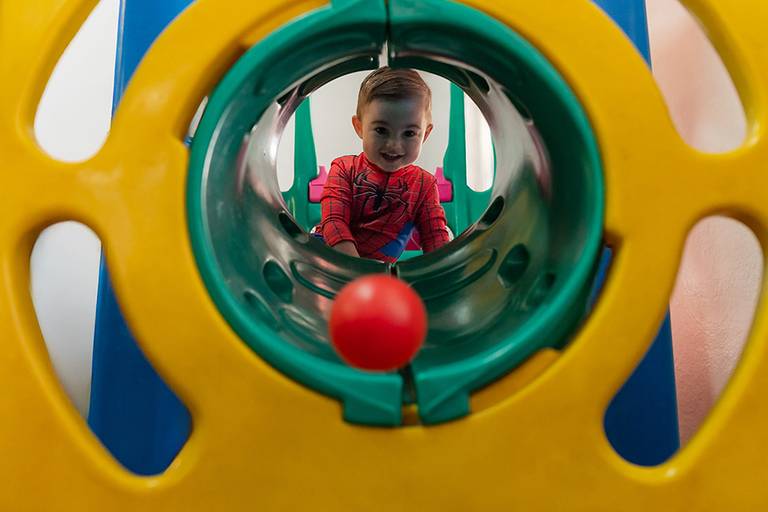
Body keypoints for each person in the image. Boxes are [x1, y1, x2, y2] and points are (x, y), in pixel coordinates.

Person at [316, 67, 451, 263]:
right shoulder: (344, 168)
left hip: (379, 274)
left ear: (426, 134)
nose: (394, 145)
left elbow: (435, 238)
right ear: (359, 127)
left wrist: (446, 270)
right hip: (328, 259)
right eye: (381, 130)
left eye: (409, 133)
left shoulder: (425, 185)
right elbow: (334, 222)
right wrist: (358, 273)